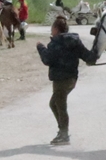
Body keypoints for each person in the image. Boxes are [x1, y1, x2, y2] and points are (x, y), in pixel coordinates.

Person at [36, 15, 98, 145]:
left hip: (60, 79)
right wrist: (97, 50)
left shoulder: (55, 43)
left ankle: (64, 135)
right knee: (54, 103)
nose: (51, 31)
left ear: (56, 29)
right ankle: (62, 132)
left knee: (60, 105)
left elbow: (47, 60)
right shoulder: (75, 41)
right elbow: (87, 56)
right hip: (71, 79)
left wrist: (41, 48)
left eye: (52, 28)